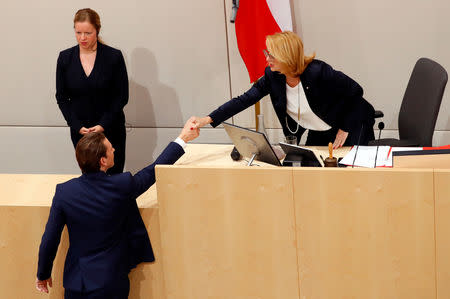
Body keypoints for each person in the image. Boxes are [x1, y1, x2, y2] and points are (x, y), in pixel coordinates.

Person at [35, 118, 200, 298]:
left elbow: (50, 238)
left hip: (77, 283)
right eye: (110, 148)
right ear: (103, 161)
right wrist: (183, 138)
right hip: (111, 281)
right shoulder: (122, 185)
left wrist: (43, 274)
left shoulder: (64, 192)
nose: (114, 149)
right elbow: (153, 171)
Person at [193, 31, 375, 148]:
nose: (267, 59)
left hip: (351, 124)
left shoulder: (318, 71)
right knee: (310, 171)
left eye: (271, 55)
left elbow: (356, 92)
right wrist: (208, 119)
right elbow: (244, 99)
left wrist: (345, 127)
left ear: (286, 56)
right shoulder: (273, 77)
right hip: (320, 130)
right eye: (267, 53)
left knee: (349, 175)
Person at [56, 8, 129, 174]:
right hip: (81, 132)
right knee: (90, 179)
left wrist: (103, 125)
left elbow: (122, 96)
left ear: (97, 30)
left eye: (88, 33)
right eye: (78, 32)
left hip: (111, 129)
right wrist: (76, 125)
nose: (82, 38)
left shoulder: (113, 57)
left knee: (113, 176)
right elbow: (61, 97)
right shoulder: (65, 58)